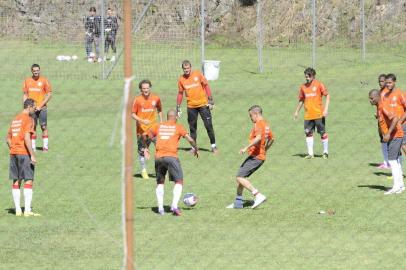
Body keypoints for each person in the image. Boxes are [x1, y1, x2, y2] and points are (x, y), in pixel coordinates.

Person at [144, 109, 199, 216]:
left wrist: (146, 148)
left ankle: (160, 208)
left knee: (160, 182)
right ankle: (174, 205)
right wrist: (196, 148)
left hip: (159, 157)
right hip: (171, 157)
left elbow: (146, 136)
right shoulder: (178, 127)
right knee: (179, 181)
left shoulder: (159, 125)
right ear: (176, 118)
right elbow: (189, 139)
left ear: (167, 116)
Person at [227, 105, 274, 209]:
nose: (250, 118)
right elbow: (272, 139)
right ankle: (238, 203)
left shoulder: (259, 123)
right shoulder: (265, 124)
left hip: (256, 157)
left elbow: (258, 138)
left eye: (250, 116)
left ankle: (258, 195)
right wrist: (265, 149)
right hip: (258, 156)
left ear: (256, 114)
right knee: (241, 178)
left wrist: (245, 148)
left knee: (239, 177)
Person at [6, 99, 40, 216]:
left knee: (16, 180)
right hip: (24, 153)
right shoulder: (28, 119)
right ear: (29, 106)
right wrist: (32, 155)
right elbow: (27, 138)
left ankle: (18, 210)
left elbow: (8, 139)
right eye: (34, 107)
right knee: (28, 180)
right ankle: (27, 210)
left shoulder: (15, 119)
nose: (35, 109)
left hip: (14, 153)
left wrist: (13, 148)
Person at [176, 60, 218, 154]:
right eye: (184, 69)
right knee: (192, 128)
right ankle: (194, 148)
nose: (186, 70)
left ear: (191, 68)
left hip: (203, 105)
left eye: (188, 68)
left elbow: (206, 85)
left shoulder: (198, 74)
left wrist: (210, 99)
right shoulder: (181, 79)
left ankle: (213, 146)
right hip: (191, 107)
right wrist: (178, 106)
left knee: (208, 126)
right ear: (182, 69)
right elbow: (180, 93)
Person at [369, 89, 405, 194]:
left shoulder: (383, 106)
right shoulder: (379, 108)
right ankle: (401, 185)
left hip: (395, 136)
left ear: (377, 97)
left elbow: (395, 119)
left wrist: (388, 133)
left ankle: (396, 186)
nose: (370, 101)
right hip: (394, 136)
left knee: (393, 161)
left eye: (371, 99)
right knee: (396, 160)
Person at [294, 67, 330, 159]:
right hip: (308, 115)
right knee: (308, 133)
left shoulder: (319, 85)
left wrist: (325, 109)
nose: (307, 78)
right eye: (306, 76)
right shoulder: (303, 87)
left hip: (318, 114)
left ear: (313, 76)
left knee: (322, 133)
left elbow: (327, 95)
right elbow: (301, 100)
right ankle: (310, 153)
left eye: (309, 76)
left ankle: (325, 152)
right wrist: (297, 111)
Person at [131, 79, 163, 179]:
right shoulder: (137, 100)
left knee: (161, 148)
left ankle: (160, 171)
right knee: (142, 151)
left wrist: (161, 122)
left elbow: (160, 110)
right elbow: (132, 114)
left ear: (150, 88)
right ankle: (144, 170)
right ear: (141, 89)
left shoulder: (156, 98)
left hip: (154, 129)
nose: (146, 90)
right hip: (142, 130)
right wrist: (142, 121)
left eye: (147, 88)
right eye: (144, 88)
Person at [22, 64, 52, 152]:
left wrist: (40, 105)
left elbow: (49, 94)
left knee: (43, 126)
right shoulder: (27, 81)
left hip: (42, 108)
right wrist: (25, 107)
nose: (36, 72)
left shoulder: (44, 80)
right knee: (32, 127)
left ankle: (45, 147)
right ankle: (33, 148)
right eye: (34, 70)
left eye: (37, 70)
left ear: (39, 70)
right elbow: (25, 95)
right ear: (32, 71)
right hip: (31, 109)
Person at [381, 74, 406, 155]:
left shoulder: (400, 93)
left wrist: (400, 121)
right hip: (392, 126)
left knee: (403, 145)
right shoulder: (386, 95)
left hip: (402, 125)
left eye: (390, 82)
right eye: (387, 83)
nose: (388, 85)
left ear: (395, 82)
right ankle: (397, 166)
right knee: (395, 148)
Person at [376, 74, 390, 169]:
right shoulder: (380, 92)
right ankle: (386, 162)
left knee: (388, 141)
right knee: (383, 141)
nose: (380, 83)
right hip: (380, 120)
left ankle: (389, 162)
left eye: (382, 81)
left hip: (386, 121)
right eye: (379, 81)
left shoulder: (387, 93)